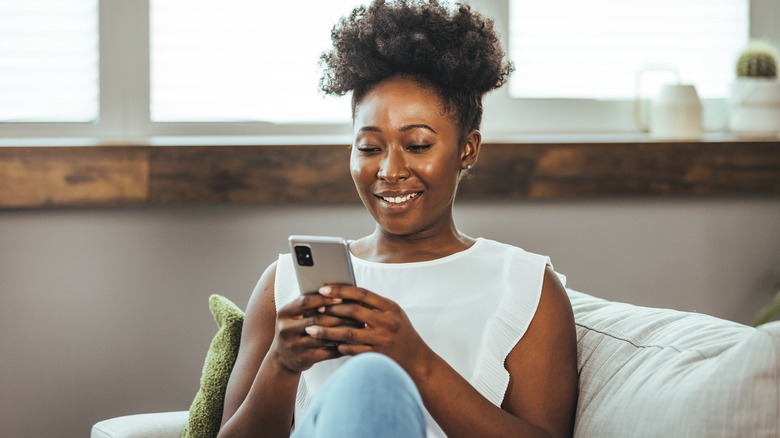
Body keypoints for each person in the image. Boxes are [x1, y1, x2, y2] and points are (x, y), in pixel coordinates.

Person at [218, 0, 578, 436]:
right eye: (369, 147)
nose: (389, 171)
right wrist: (280, 363)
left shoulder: (523, 286)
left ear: (468, 149)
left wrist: (415, 360)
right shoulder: (285, 284)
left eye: (419, 145)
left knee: (373, 378)